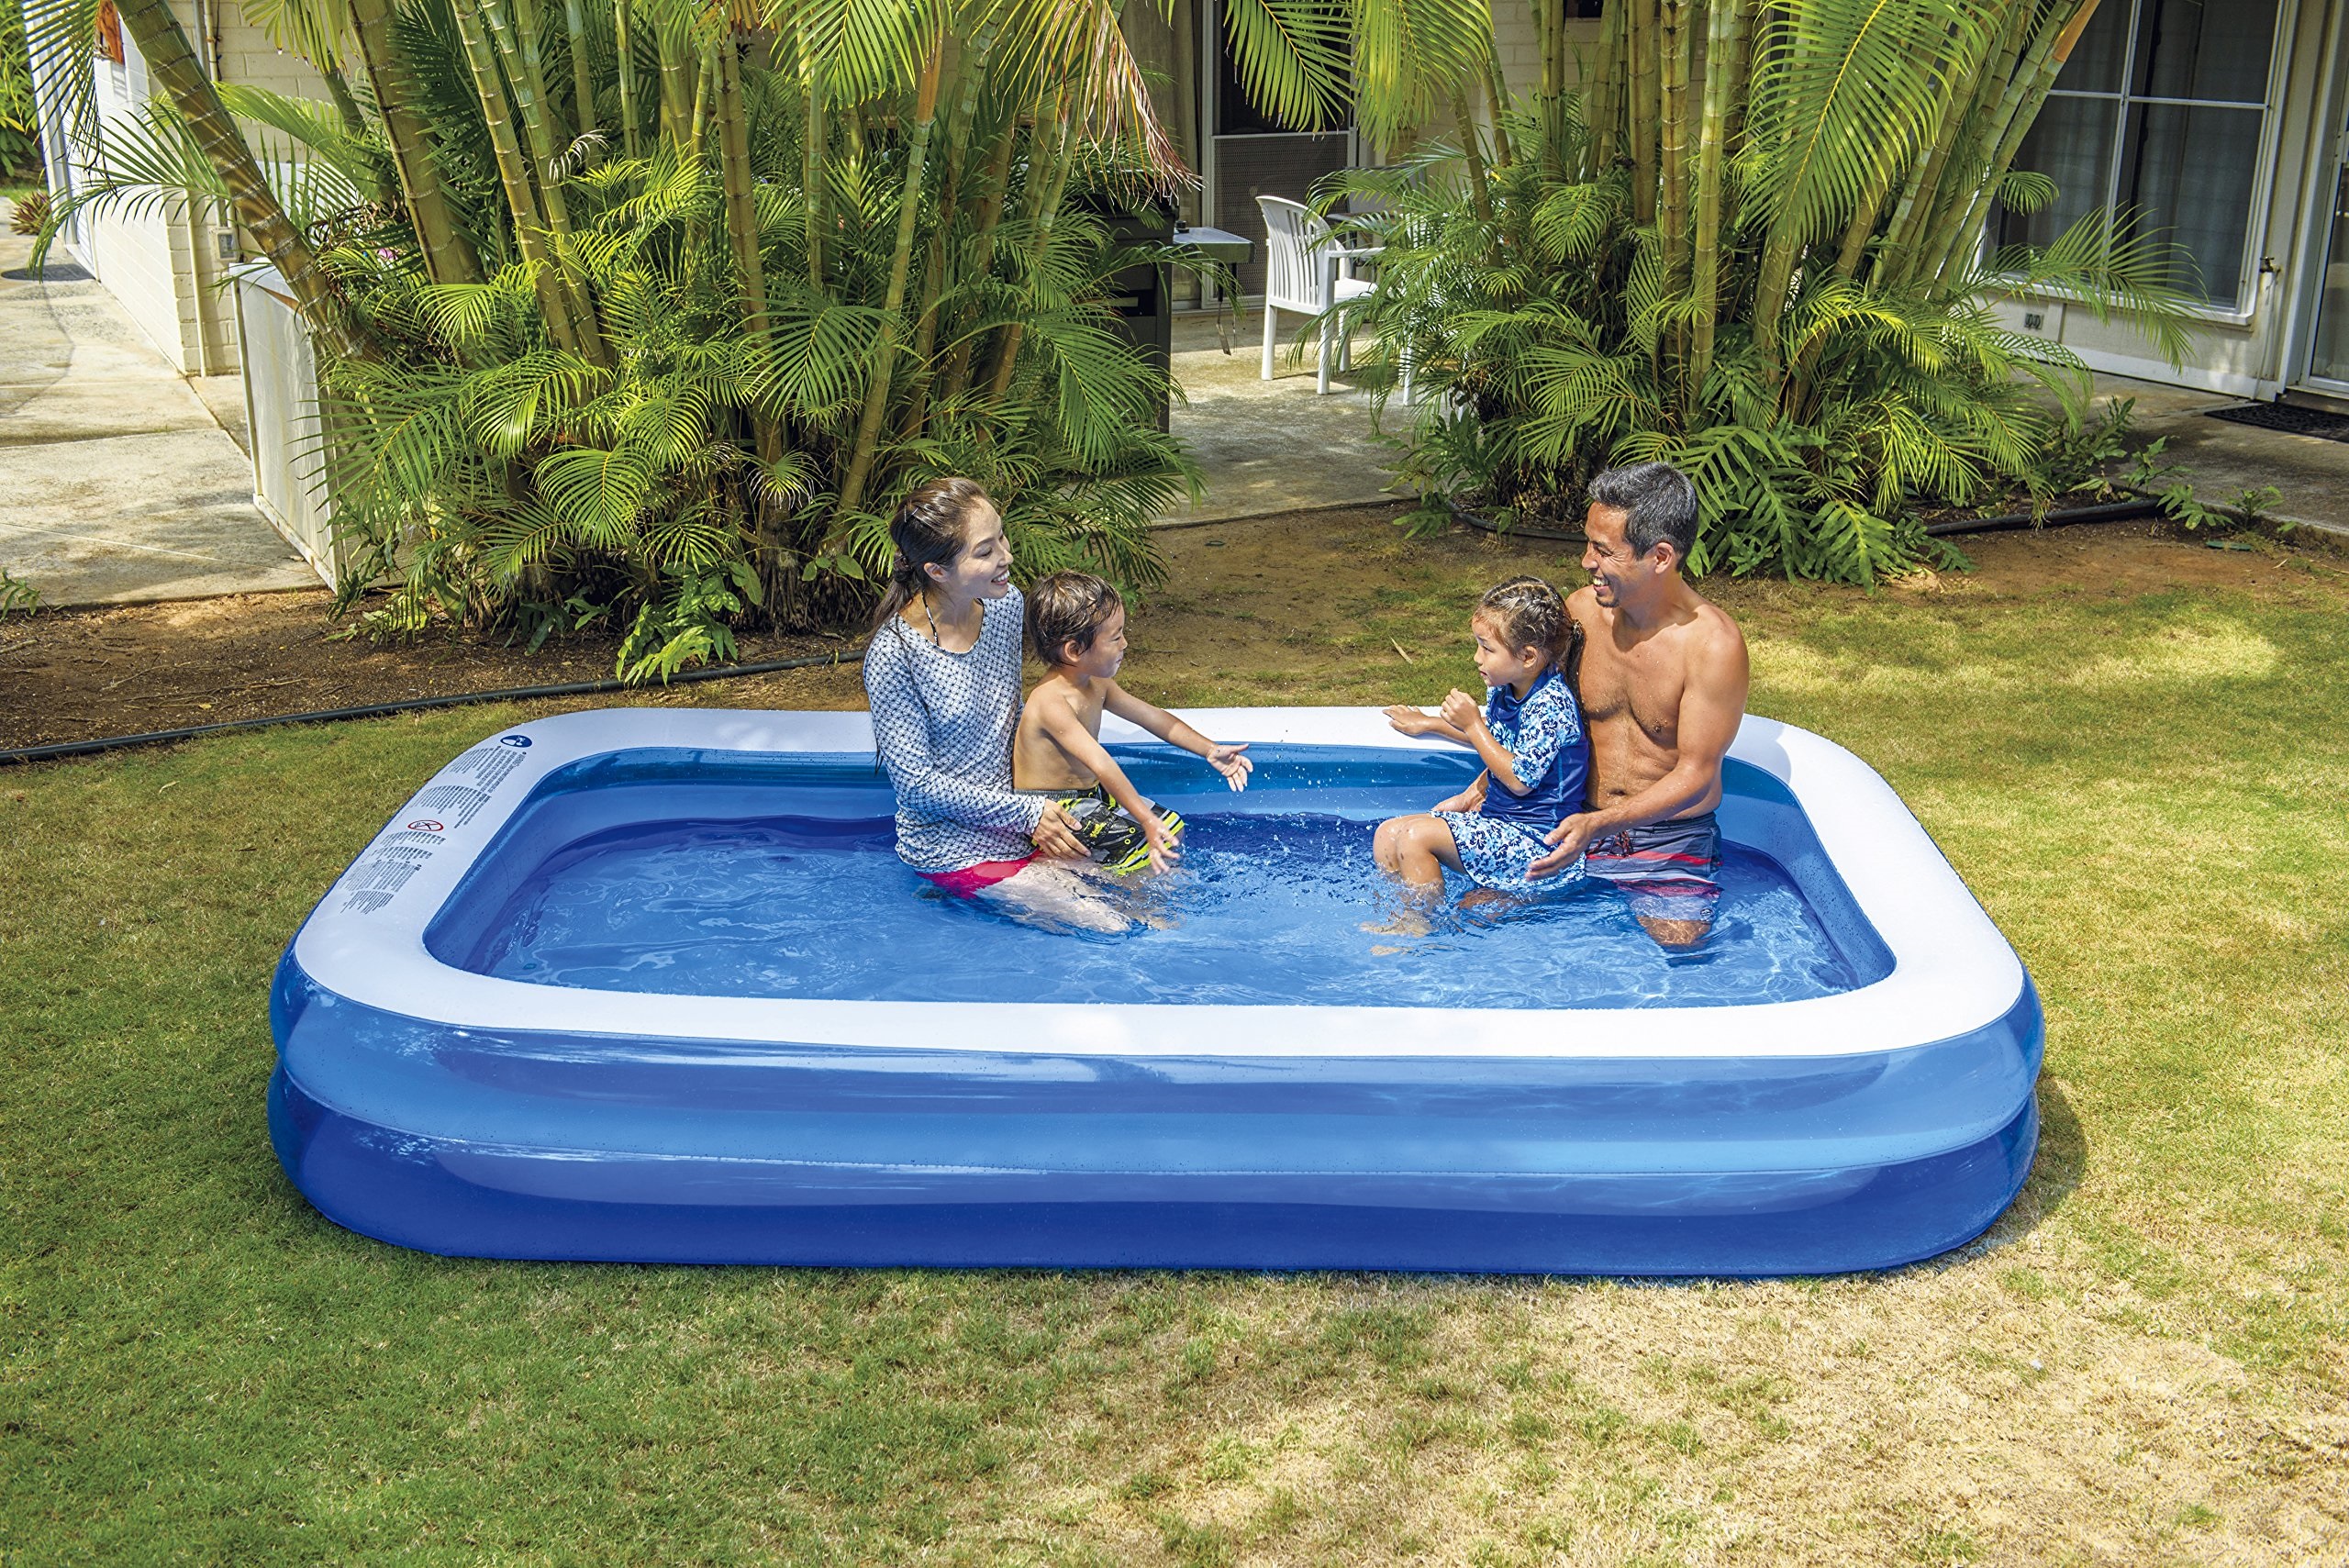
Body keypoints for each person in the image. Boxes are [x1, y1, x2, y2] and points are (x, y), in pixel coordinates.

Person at [862, 477, 1123, 930]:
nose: (1007, 556)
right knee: (1110, 925)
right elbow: (916, 786)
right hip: (956, 848)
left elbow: (1017, 712)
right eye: (985, 551)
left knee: (1161, 885)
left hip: (1032, 821)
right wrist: (1029, 814)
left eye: (1001, 537)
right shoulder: (893, 657)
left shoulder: (1004, 606)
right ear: (937, 571)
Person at [1527, 462, 1752, 949]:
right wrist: (1485, 785)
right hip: (1571, 819)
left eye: (1604, 550)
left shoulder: (1712, 646)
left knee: (1681, 947)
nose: (1586, 561)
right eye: (1588, 544)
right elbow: (1538, 714)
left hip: (1669, 839)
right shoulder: (1580, 614)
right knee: (1478, 912)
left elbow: (1696, 774)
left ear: (1660, 556)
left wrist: (1598, 825)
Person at [1012, 571, 1253, 874]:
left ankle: (1119, 874)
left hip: (1090, 796)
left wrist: (1209, 750)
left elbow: (1154, 717)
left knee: (1171, 828)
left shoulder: (1097, 684)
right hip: (1055, 809)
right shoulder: (1050, 701)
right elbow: (1102, 764)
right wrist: (1145, 819)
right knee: (1141, 845)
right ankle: (1081, 879)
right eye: (1115, 637)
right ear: (1074, 651)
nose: (1125, 643)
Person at [1373, 575, 1589, 903]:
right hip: (1500, 824)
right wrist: (1432, 724)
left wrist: (1473, 725)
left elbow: (1520, 780)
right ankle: (1400, 914)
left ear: (1527, 657)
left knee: (1416, 837)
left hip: (1540, 843)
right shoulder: (1506, 689)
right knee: (1387, 833)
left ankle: (1420, 925)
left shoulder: (1552, 705)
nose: (1477, 657)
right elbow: (1497, 738)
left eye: (1487, 648)